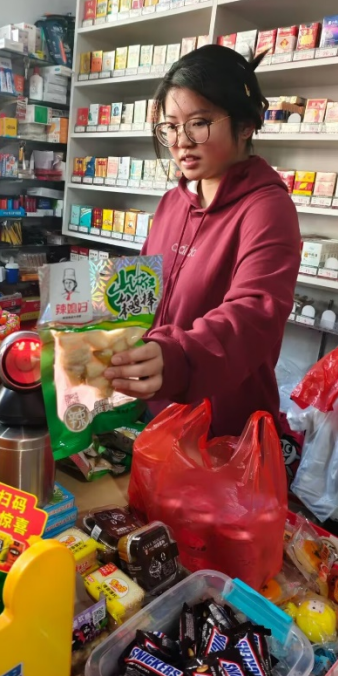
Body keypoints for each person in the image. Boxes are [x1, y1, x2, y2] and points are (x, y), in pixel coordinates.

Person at [104, 45, 301, 437]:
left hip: (220, 432)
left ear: (245, 125)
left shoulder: (267, 209)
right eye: (171, 127)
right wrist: (84, 334)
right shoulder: (171, 203)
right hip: (151, 415)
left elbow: (254, 314)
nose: (181, 141)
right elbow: (138, 292)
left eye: (199, 123)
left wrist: (178, 358)